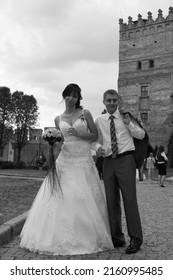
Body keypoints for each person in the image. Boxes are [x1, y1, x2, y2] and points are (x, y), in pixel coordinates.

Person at [20, 83, 114, 255]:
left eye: (75, 95)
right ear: (64, 96)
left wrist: (80, 134)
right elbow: (61, 142)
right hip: (65, 159)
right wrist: (52, 147)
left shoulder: (85, 114)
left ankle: (86, 235)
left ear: (79, 98)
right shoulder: (58, 118)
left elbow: (94, 135)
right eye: (69, 95)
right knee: (61, 197)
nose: (71, 98)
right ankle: (55, 236)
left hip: (82, 159)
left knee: (81, 197)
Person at [93, 89, 145, 254]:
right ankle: (117, 237)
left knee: (130, 200)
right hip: (108, 162)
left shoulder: (126, 116)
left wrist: (129, 123)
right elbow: (94, 141)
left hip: (126, 160)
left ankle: (136, 239)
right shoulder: (99, 120)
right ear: (103, 102)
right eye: (108, 100)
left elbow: (141, 135)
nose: (112, 103)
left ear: (119, 101)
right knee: (111, 201)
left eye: (114, 100)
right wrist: (98, 148)